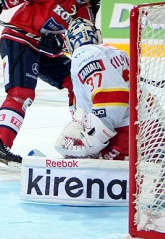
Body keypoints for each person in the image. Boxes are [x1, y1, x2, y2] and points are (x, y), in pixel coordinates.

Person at [0, 0, 107, 172]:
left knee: (78, 81)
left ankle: (83, 136)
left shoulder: (87, 9)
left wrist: (59, 42)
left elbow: (78, 43)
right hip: (20, 40)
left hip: (46, 52)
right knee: (21, 93)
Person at [54, 18, 130, 161]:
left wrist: (93, 139)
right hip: (148, 127)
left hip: (124, 135)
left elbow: (113, 99)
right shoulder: (116, 52)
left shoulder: (84, 54)